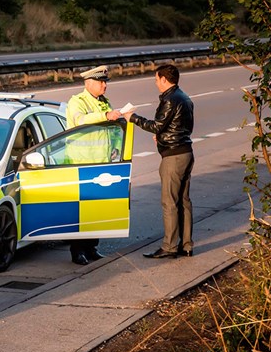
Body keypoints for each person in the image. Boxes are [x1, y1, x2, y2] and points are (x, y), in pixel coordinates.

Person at [125, 64, 194, 259]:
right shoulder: (185, 97)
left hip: (173, 156)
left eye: (156, 79)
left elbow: (157, 125)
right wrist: (164, 137)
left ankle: (169, 246)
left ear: (164, 79)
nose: (155, 83)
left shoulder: (170, 99)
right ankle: (187, 245)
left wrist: (133, 118)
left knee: (169, 202)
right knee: (184, 201)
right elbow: (182, 127)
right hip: (186, 152)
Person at [64, 65, 125, 265]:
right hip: (81, 164)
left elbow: (111, 131)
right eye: (101, 82)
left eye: (105, 82)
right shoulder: (77, 102)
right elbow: (80, 121)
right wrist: (106, 116)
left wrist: (116, 149)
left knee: (97, 209)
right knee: (81, 212)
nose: (105, 85)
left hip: (101, 164)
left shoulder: (103, 102)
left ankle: (92, 248)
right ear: (89, 83)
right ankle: (78, 251)